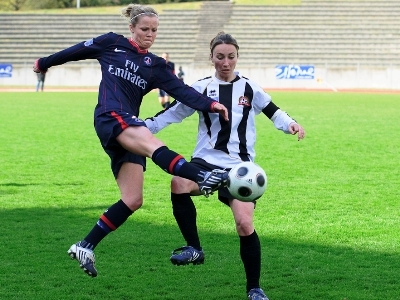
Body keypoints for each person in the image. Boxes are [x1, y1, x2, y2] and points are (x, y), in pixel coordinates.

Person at [32, 4, 231, 278]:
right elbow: (75, 51)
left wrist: (211, 105)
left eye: (154, 30)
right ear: (132, 28)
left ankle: (85, 245)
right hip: (110, 116)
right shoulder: (110, 43)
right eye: (145, 29)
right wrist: (44, 63)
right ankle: (205, 176)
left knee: (133, 199)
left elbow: (183, 92)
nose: (150, 34)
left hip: (127, 127)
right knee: (152, 143)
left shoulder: (156, 66)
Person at [145, 32, 305, 300]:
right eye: (220, 57)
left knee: (244, 224)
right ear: (211, 58)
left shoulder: (249, 88)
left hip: (240, 169)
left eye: (231, 57)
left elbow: (273, 111)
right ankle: (194, 248)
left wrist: (290, 124)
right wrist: (142, 127)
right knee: (178, 183)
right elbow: (173, 112)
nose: (225, 62)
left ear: (237, 57)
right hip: (205, 162)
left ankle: (254, 288)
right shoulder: (201, 88)